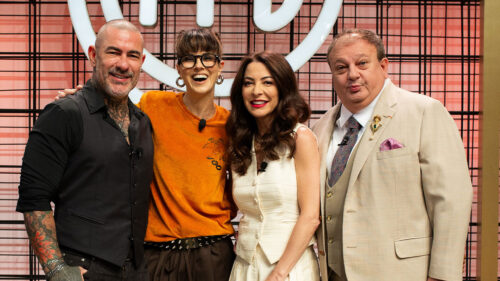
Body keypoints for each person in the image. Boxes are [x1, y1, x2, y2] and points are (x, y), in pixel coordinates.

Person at [57, 28, 236, 281]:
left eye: (208, 58)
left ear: (220, 67)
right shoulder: (153, 106)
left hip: (213, 254)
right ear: (179, 69)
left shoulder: (232, 126)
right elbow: (108, 116)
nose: (199, 66)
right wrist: (78, 100)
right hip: (157, 254)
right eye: (189, 59)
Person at [313, 29, 473, 281]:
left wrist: (442, 275)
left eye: (362, 63)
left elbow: (451, 200)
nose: (352, 74)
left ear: (384, 65)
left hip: (401, 273)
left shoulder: (423, 112)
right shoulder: (320, 127)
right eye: (341, 68)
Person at [16, 19, 154, 281]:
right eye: (113, 52)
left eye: (132, 56)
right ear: (93, 55)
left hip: (137, 271)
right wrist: (56, 269)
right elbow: (34, 196)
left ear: (142, 63)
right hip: (81, 269)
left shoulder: (143, 122)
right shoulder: (63, 113)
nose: (123, 64)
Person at [226, 51, 321, 281]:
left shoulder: (301, 138)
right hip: (245, 267)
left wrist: (279, 274)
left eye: (267, 82)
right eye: (249, 83)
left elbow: (310, 216)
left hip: (290, 269)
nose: (257, 91)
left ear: (283, 88)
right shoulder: (241, 142)